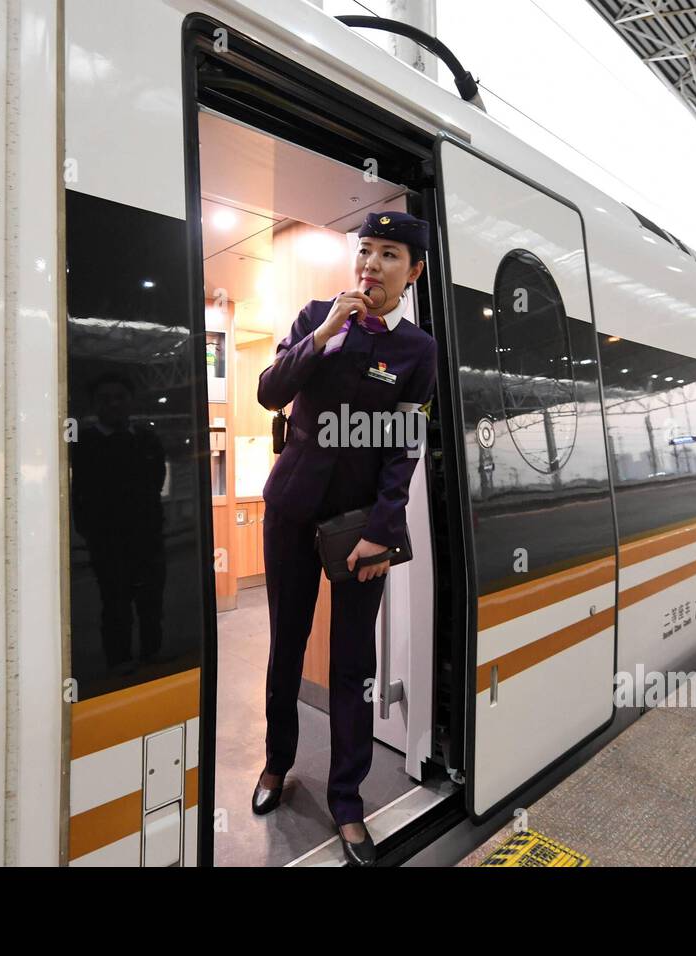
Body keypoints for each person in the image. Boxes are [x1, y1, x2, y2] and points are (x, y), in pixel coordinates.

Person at [251, 211, 438, 866]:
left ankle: (349, 801)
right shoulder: (314, 317)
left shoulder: (418, 351)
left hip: (361, 529)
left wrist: (384, 531)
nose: (371, 265)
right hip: (292, 512)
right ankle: (277, 764)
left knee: (354, 663)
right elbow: (269, 393)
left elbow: (405, 447)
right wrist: (324, 334)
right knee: (287, 646)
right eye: (366, 251)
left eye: (389, 255)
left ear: (413, 271)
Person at [71, 373, 167, 675]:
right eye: (105, 398)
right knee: (115, 604)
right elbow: (81, 493)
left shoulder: (146, 438)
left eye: (120, 397)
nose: (113, 403)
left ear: (131, 401)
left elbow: (156, 480)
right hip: (108, 541)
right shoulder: (85, 443)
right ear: (94, 404)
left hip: (148, 538)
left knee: (151, 602)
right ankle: (119, 661)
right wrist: (91, 533)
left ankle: (152, 655)